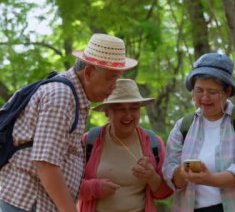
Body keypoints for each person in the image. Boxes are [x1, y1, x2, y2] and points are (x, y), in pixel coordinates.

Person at [0, 34, 138, 212]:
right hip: (27, 203)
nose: (114, 86)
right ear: (88, 72)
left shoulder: (74, 98)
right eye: (110, 78)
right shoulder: (62, 96)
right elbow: (46, 164)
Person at [162, 53, 235, 212]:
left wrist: (209, 179)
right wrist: (183, 173)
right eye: (199, 90)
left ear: (227, 91)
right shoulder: (183, 126)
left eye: (212, 92)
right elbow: (170, 172)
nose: (204, 97)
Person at [77, 79, 173, 212]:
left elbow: (165, 192)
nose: (128, 115)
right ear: (107, 112)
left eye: (134, 108)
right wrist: (95, 187)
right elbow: (67, 185)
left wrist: (152, 178)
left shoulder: (153, 142)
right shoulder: (89, 141)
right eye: (120, 109)